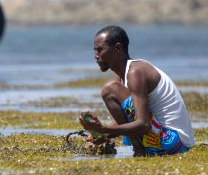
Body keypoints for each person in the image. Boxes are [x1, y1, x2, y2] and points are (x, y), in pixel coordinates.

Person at [79, 25, 194, 156]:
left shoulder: (135, 72)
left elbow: (143, 124)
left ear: (118, 48)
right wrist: (101, 134)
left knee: (109, 89)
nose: (96, 56)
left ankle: (139, 150)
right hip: (175, 142)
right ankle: (140, 148)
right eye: (95, 50)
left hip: (172, 143)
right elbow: (129, 118)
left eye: (100, 50)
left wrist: (103, 129)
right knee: (112, 88)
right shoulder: (126, 73)